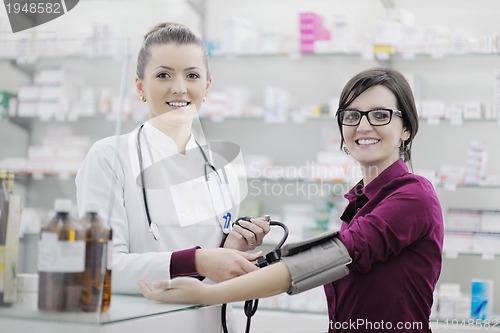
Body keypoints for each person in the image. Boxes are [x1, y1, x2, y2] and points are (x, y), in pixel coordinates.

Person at [139, 67, 445, 333]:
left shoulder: (414, 195)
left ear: (406, 128)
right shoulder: (362, 202)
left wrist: (208, 295)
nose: (363, 126)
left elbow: (339, 254)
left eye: (380, 115)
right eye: (351, 115)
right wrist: (242, 260)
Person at [75, 22, 271, 299]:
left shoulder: (221, 169)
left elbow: (214, 273)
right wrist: (195, 261)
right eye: (164, 75)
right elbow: (99, 267)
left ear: (207, 86)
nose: (179, 88)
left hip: (213, 322)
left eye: (192, 75)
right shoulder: (109, 157)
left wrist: (234, 245)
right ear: (140, 86)